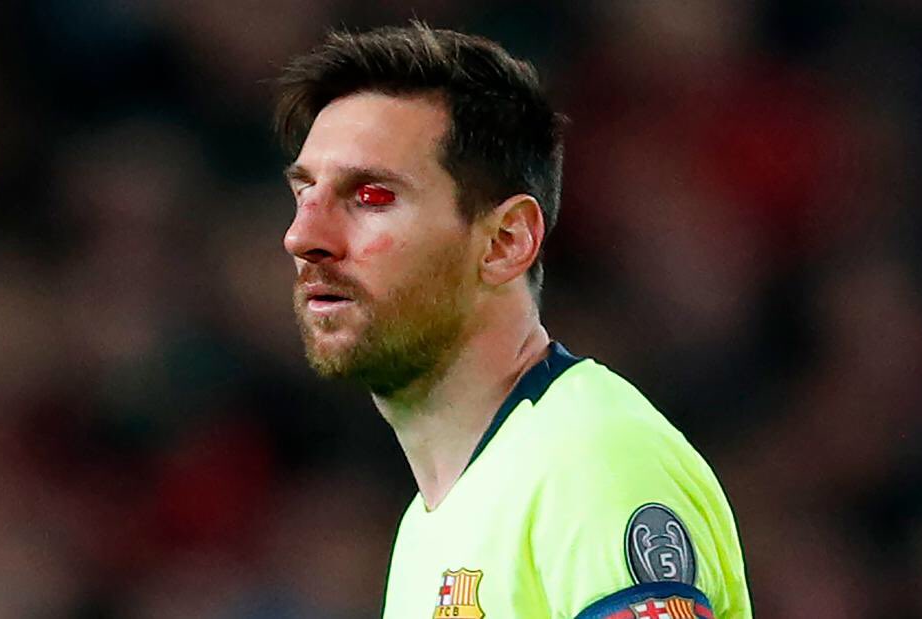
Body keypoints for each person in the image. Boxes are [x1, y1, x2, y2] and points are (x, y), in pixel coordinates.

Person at [274, 22, 752, 619]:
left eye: (372, 197)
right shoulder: (428, 526)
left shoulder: (586, 459)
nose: (302, 236)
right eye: (304, 195)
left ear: (505, 241)